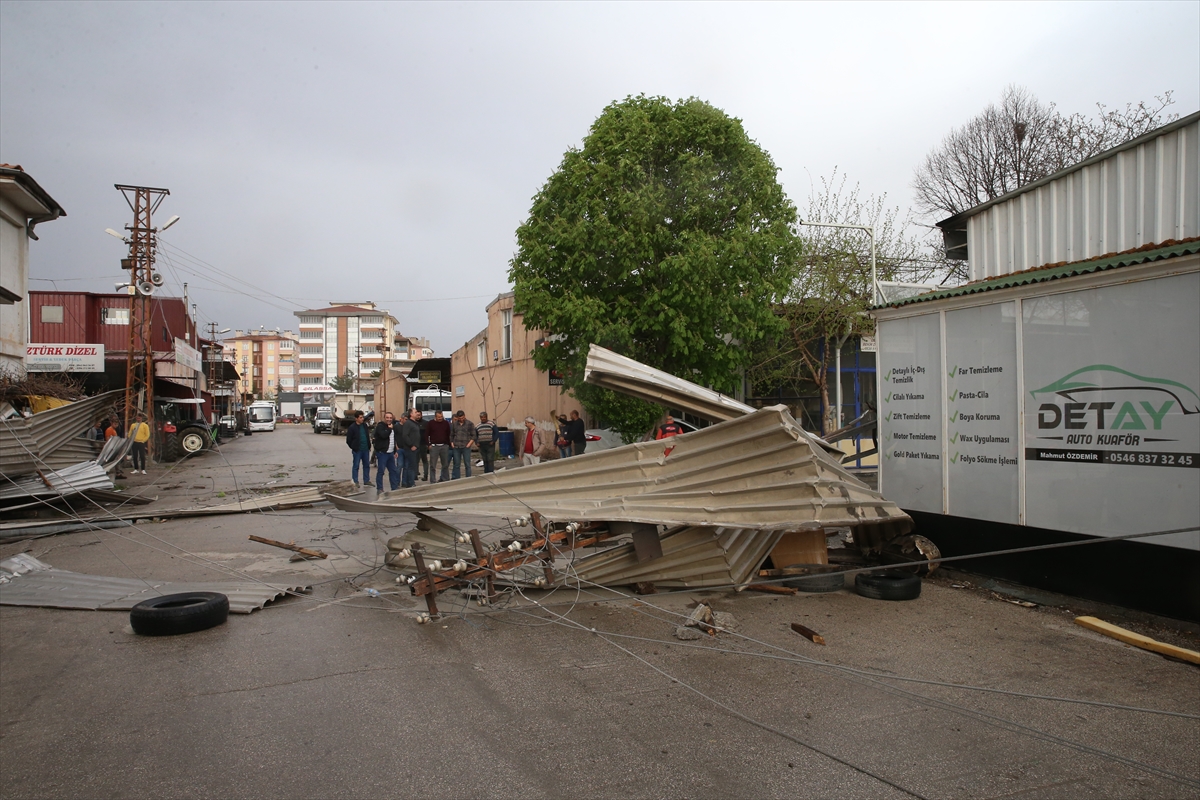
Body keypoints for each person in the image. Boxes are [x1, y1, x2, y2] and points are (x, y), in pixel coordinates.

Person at [372, 411, 401, 492]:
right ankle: (380, 488)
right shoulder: (380, 426)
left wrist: (395, 451)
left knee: (393, 471)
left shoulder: (393, 427)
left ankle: (394, 488)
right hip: (382, 453)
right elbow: (383, 435)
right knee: (381, 471)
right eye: (387, 418)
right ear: (384, 418)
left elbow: (393, 440)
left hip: (391, 453)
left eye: (390, 418)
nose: (389, 419)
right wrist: (389, 429)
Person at [345, 411, 372, 486]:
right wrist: (354, 447)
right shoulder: (352, 427)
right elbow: (348, 440)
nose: (362, 419)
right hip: (357, 450)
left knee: (366, 465)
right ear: (356, 418)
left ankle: (366, 480)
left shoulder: (364, 426)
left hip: (365, 449)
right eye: (360, 417)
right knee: (356, 466)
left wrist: (369, 446)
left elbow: (367, 436)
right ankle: (355, 481)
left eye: (363, 417)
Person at [425, 409, 451, 483]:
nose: (440, 418)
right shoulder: (430, 423)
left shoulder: (446, 423)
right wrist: (428, 444)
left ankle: (445, 478)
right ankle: (433, 480)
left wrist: (448, 444)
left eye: (441, 416)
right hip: (434, 446)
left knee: (445, 464)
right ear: (435, 417)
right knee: (433, 465)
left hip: (444, 446)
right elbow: (426, 435)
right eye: (439, 417)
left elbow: (448, 434)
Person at [449, 410, 476, 480]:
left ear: (464, 416)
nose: (461, 419)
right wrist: (452, 443)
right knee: (457, 464)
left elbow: (474, 435)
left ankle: (468, 479)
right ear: (457, 418)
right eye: (460, 418)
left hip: (466, 446)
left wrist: (469, 444)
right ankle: (457, 479)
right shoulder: (454, 424)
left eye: (462, 418)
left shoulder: (470, 424)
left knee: (467, 464)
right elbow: (451, 435)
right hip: (456, 446)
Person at [399, 409, 421, 488]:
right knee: (410, 466)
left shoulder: (415, 423)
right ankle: (410, 483)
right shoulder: (408, 423)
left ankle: (410, 482)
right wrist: (411, 445)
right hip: (410, 449)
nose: (417, 413)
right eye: (415, 412)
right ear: (411, 414)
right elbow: (405, 435)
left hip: (416, 448)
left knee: (412, 465)